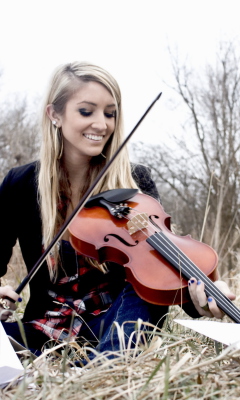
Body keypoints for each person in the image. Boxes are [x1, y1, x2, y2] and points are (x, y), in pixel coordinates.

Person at [0, 62, 235, 358]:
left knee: (142, 289)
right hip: (43, 327)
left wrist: (201, 292)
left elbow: (161, 266)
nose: (102, 124)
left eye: (110, 113)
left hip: (115, 324)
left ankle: (106, 369)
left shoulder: (135, 181)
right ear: (54, 114)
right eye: (87, 111)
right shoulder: (20, 184)